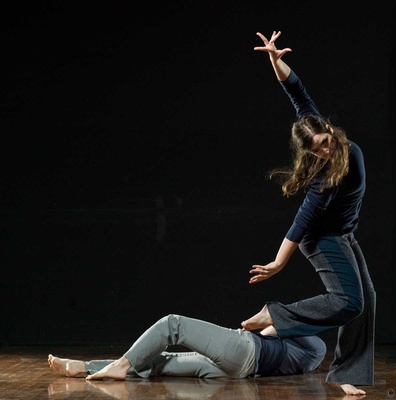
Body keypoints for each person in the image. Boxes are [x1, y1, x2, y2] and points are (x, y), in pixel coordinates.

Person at [239, 30, 375, 396]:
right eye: (317, 151)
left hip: (343, 234)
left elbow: (297, 92)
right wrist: (279, 263)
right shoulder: (326, 178)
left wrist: (275, 60)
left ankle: (348, 373)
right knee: (349, 301)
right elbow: (303, 220)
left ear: (328, 129)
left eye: (326, 143)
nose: (325, 151)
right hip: (322, 239)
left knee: (367, 301)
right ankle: (276, 315)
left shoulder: (320, 127)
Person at [47, 314, 325, 380]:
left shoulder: (317, 346)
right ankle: (82, 367)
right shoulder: (311, 358)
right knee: (161, 361)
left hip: (246, 349)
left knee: (173, 324)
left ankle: (120, 366)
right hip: (239, 371)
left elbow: (268, 328)